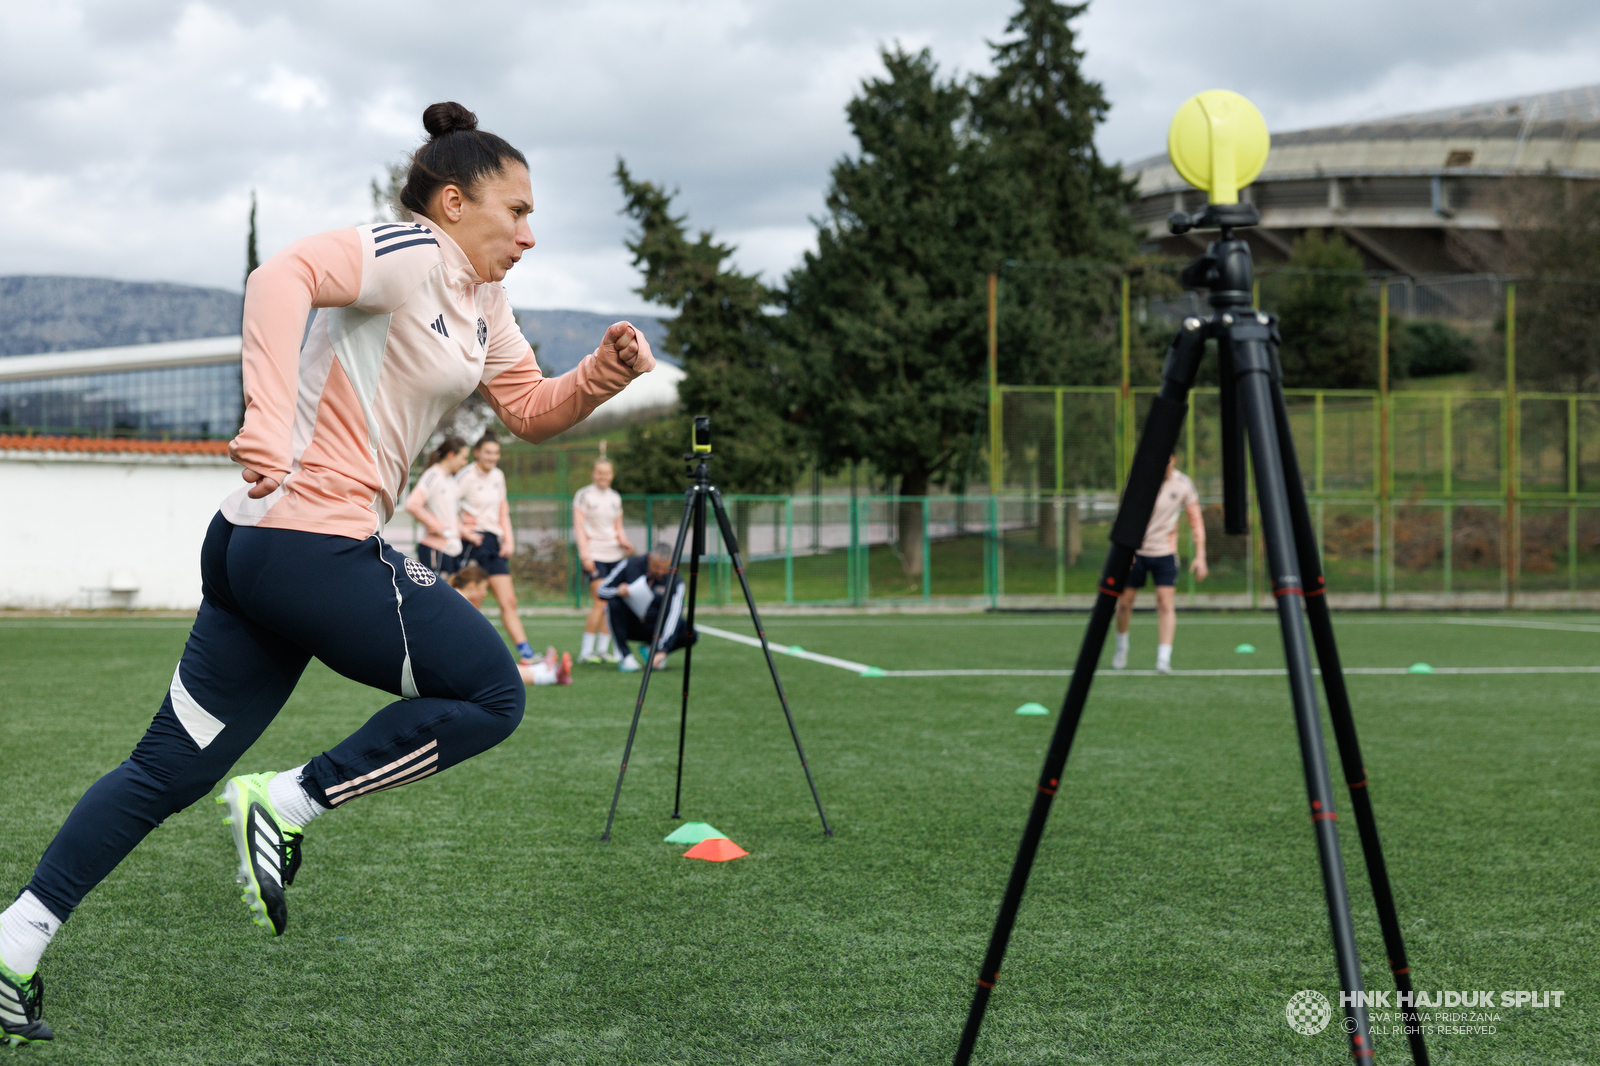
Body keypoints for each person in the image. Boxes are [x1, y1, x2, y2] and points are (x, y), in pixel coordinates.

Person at [0, 101, 654, 1045]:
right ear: (454, 199)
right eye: (515, 211)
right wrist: (265, 417)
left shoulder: (482, 301)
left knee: (165, 771)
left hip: (260, 556)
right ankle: (287, 799)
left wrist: (601, 372)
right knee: (492, 694)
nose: (529, 232)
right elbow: (282, 275)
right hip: (305, 542)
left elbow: (528, 408)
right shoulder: (408, 248)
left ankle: (14, 941)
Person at [1112, 452, 1207, 674]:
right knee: (1124, 603)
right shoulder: (1138, 479)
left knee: (1165, 603)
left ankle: (1163, 659)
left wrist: (1200, 555)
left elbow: (1196, 520)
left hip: (1165, 553)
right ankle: (1121, 647)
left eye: (1167, 459)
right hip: (1135, 552)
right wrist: (1125, 550)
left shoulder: (1183, 484)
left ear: (1174, 458)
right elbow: (1124, 515)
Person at [456, 431, 535, 662]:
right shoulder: (465, 476)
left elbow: (503, 510)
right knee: (473, 600)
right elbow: (445, 505)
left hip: (494, 543)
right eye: (488, 452)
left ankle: (526, 653)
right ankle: (468, 653)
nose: (492, 457)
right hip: (474, 542)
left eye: (496, 453)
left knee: (509, 600)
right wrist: (463, 531)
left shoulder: (499, 476)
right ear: (477, 452)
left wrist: (509, 540)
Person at [447, 566, 570, 685]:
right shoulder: (460, 603)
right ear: (472, 586)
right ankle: (550, 674)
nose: (485, 594)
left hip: (454, 662)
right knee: (495, 669)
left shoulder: (454, 598)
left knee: (497, 665)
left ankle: (545, 669)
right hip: (453, 667)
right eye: (484, 588)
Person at [595, 544, 696, 672]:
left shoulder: (676, 581)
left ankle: (652, 650)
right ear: (649, 558)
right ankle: (626, 657)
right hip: (631, 625)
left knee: (690, 632)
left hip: (655, 626)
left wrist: (663, 649)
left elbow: (674, 615)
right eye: (656, 567)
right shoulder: (629, 564)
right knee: (613, 603)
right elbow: (601, 591)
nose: (660, 572)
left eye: (665, 569)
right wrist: (618, 591)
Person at [572, 456, 633, 663]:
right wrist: (585, 556)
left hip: (615, 555)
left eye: (606, 473)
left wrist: (624, 542)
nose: (602, 476)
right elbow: (579, 528)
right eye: (599, 472)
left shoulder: (615, 497)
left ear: (612, 475)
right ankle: (585, 652)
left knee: (613, 604)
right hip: (595, 555)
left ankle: (602, 650)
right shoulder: (584, 495)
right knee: (600, 602)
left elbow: (618, 526)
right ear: (592, 473)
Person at [406, 436, 470, 576]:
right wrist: (438, 528)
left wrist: (464, 531)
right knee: (436, 597)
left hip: (451, 550)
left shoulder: (450, 480)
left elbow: (450, 514)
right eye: (463, 458)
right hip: (435, 549)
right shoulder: (433, 475)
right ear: (451, 455)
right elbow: (412, 504)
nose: (465, 463)